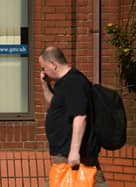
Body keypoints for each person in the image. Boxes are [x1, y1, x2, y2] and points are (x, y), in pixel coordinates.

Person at [39, 47, 109, 187]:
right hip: (63, 155)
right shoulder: (63, 83)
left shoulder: (74, 82)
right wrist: (45, 84)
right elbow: (54, 103)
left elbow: (80, 116)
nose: (43, 72)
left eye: (44, 67)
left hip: (74, 156)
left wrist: (74, 151)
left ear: (53, 64)